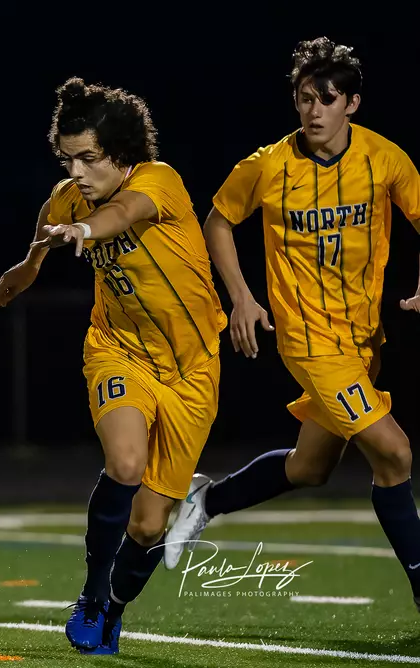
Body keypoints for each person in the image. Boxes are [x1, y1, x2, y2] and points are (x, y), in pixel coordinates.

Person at [164, 37, 420, 613]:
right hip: (308, 342)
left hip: (363, 340)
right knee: (395, 453)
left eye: (325, 99)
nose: (312, 111)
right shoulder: (267, 165)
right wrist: (243, 299)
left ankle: (206, 501)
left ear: (351, 104)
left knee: (308, 469)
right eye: (304, 98)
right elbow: (219, 221)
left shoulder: (384, 159)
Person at [0, 77, 226, 654]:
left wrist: (85, 229)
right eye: (68, 158)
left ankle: (115, 607)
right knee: (124, 462)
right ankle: (93, 598)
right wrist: (29, 266)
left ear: (121, 153)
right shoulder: (67, 199)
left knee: (147, 527)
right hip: (116, 347)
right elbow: (49, 228)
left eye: (89, 158)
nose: (76, 171)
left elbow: (122, 213)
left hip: (193, 370)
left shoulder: (158, 181)